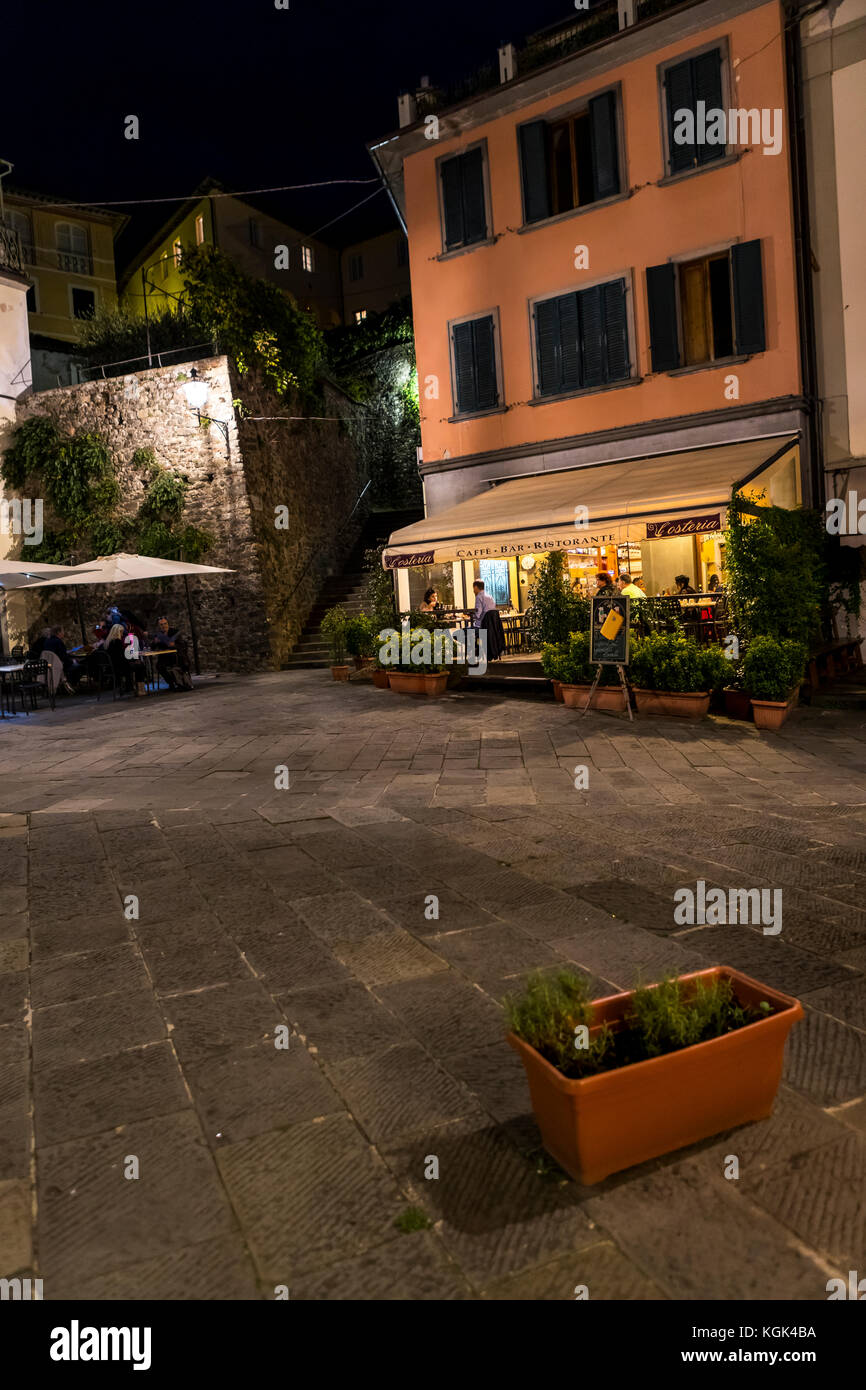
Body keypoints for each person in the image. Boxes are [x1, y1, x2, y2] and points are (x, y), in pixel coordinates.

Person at [106, 623, 146, 697]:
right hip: (121, 667)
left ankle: (135, 688)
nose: (122, 634)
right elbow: (123, 656)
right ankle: (140, 689)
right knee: (140, 665)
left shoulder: (109, 642)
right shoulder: (117, 641)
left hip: (115, 667)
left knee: (138, 664)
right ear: (117, 632)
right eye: (121, 632)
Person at [42, 627, 81, 694]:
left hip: (50, 665)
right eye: (62, 631)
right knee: (79, 667)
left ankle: (67, 683)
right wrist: (73, 661)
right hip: (60, 665)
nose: (63, 633)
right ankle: (72, 684)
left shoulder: (47, 641)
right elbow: (63, 657)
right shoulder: (58, 641)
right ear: (58, 633)